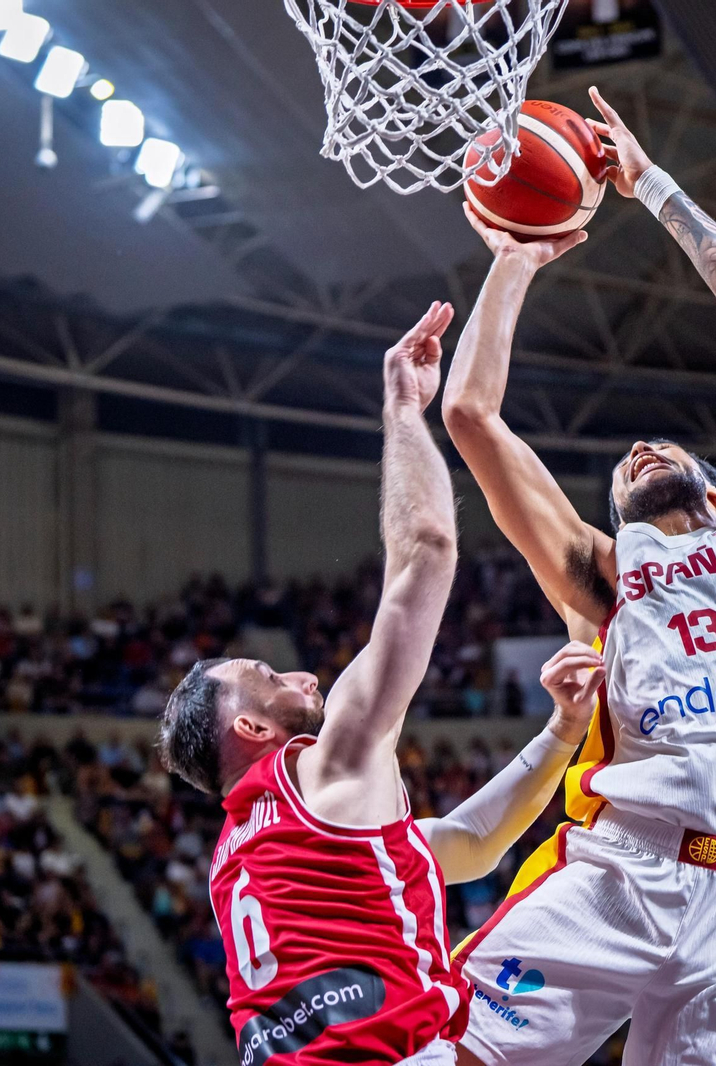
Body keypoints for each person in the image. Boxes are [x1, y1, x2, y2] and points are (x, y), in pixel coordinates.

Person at [440, 87, 716, 1065]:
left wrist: (651, 184)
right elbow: (470, 418)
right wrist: (514, 259)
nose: (635, 447)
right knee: (438, 1049)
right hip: (621, 870)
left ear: (715, 480)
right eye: (621, 461)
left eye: (659, 445)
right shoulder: (605, 573)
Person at [157, 303, 606, 1066]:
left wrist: (564, 732)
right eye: (267, 679)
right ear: (255, 731)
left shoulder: (251, 851)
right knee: (605, 913)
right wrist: (403, 407)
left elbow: (465, 846)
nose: (297, 674)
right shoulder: (324, 768)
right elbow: (428, 550)